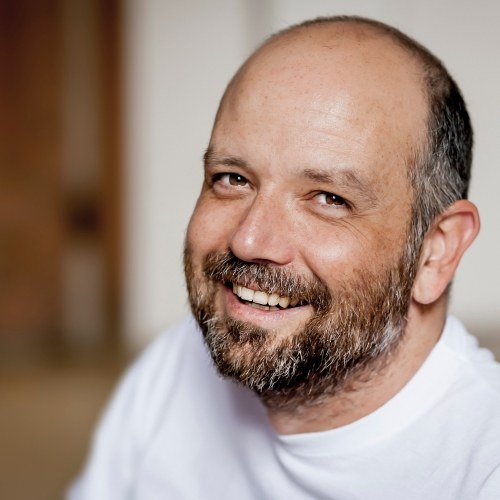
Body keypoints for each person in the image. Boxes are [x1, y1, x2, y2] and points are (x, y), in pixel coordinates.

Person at [69, 16, 500, 499]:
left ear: (436, 251)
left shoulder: (484, 470)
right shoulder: (173, 366)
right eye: (232, 178)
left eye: (329, 198)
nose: (249, 242)